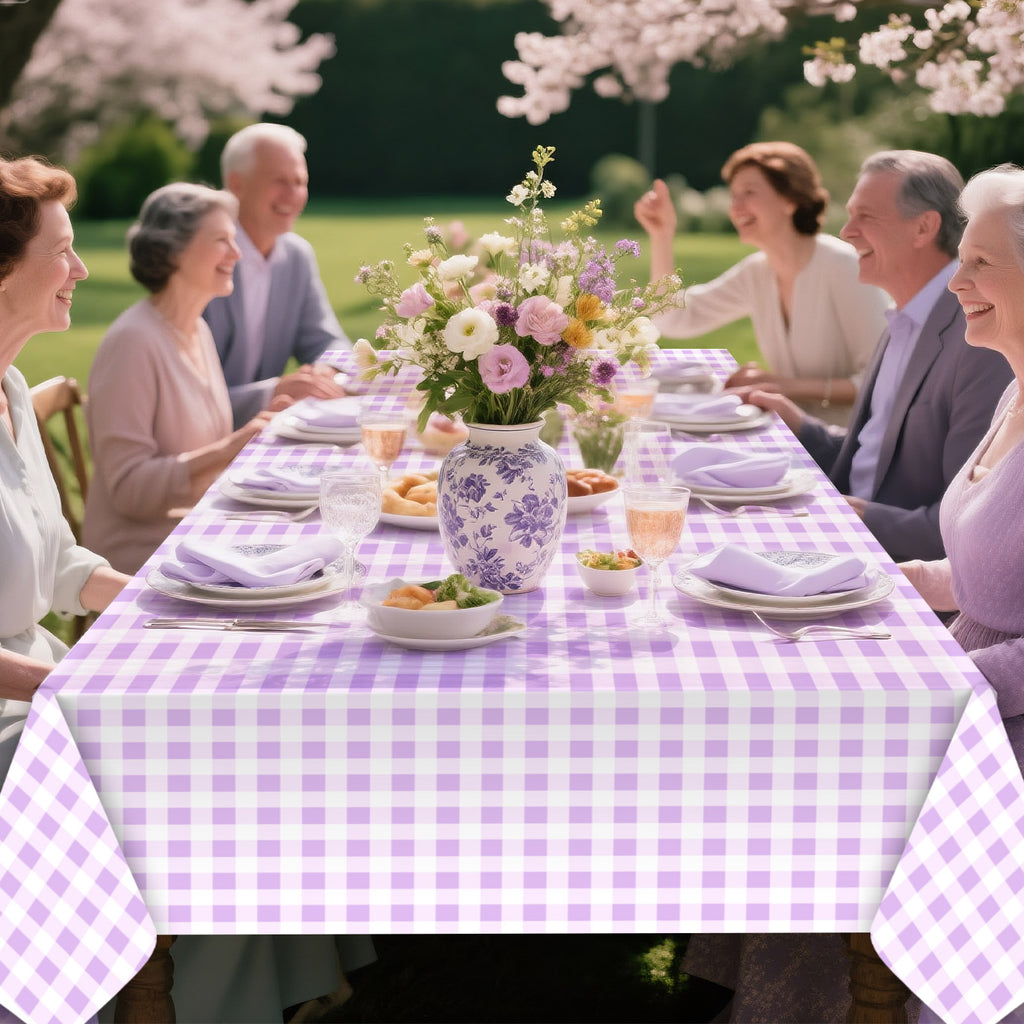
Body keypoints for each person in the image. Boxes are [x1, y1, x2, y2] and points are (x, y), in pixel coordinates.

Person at [743, 149, 1013, 564]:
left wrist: (848, 517)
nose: (847, 232)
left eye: (865, 217)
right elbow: (873, 460)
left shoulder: (983, 339)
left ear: (924, 227)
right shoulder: (906, 316)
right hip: (843, 534)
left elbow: (965, 522)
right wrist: (797, 421)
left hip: (891, 566)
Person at [0, 155, 128, 782]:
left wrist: (163, 600)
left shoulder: (13, 388)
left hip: (40, 686)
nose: (80, 270)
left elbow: (54, 564)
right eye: (62, 252)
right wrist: (75, 683)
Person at [82, 183, 276, 575]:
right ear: (172, 250)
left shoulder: (195, 329)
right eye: (222, 240)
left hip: (196, 533)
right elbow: (128, 491)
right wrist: (230, 448)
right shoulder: (133, 342)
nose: (237, 253)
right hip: (139, 556)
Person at [901, 163, 1024, 776]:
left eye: (980, 262)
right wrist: (901, 582)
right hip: (962, 701)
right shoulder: (1014, 395)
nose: (954, 282)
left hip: (1002, 742)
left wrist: (930, 681)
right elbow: (1003, 575)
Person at [634, 141, 890, 426]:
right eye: (733, 196)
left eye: (749, 193)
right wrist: (662, 236)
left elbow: (883, 380)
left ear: (790, 199)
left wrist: (783, 385)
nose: (736, 207)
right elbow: (674, 319)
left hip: (852, 446)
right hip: (796, 432)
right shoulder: (758, 272)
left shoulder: (843, 266)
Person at [203, 122, 350, 427]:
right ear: (236, 184)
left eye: (300, 181)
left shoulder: (297, 256)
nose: (294, 194)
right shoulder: (202, 257)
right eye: (280, 181)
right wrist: (273, 391)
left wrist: (326, 370)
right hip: (202, 442)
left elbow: (326, 341)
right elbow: (187, 399)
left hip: (267, 433)